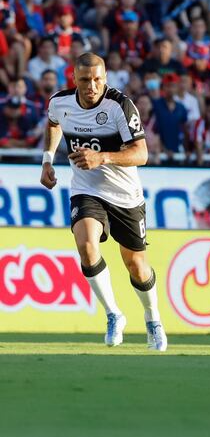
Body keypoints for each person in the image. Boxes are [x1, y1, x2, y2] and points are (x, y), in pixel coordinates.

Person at [39, 52, 166, 351]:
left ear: (105, 78)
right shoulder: (60, 102)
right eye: (85, 80)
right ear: (74, 79)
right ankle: (113, 314)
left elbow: (142, 154)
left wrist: (103, 157)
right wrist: (47, 160)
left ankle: (153, 318)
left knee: (136, 265)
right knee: (86, 245)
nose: (92, 86)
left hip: (125, 195)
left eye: (97, 79)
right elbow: (53, 124)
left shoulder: (120, 106)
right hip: (86, 189)